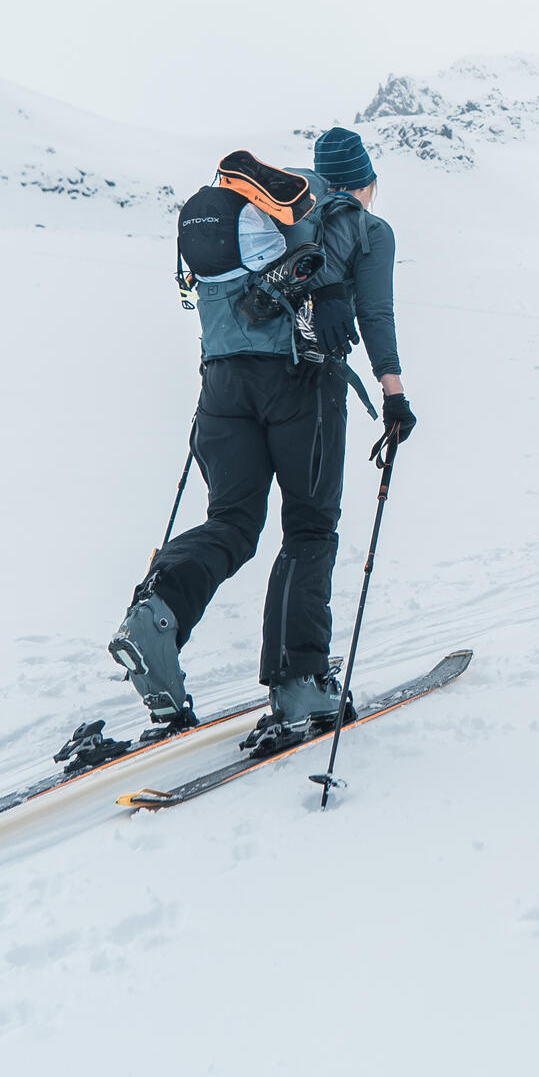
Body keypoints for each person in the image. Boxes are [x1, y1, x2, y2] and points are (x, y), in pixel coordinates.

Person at [108, 127, 417, 752]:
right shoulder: (367, 228)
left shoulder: (265, 213)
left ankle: (158, 613)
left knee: (232, 521)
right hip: (304, 389)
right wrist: (393, 393)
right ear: (366, 182)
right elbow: (375, 314)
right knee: (308, 528)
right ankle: (301, 682)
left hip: (222, 388)